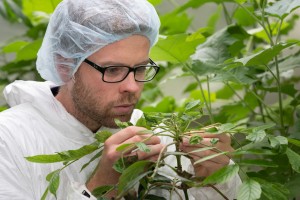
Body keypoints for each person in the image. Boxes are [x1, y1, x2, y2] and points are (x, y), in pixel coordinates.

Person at [0, 0, 241, 199]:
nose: (132, 86)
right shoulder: (10, 139)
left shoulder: (151, 132)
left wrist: (212, 179)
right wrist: (103, 185)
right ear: (65, 66)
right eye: (112, 70)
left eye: (140, 69)